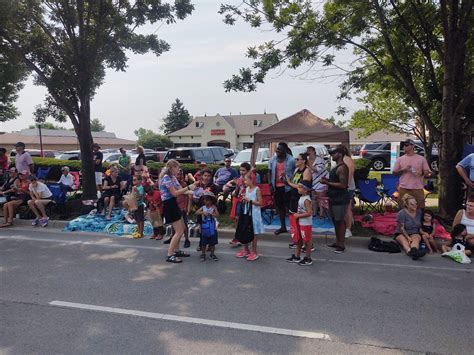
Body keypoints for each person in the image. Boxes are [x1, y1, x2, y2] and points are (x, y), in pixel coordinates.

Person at [159, 159, 196, 263]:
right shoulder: (166, 178)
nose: (179, 170)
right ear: (171, 168)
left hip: (173, 204)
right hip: (169, 204)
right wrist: (188, 187)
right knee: (179, 231)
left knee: (182, 227)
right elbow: (175, 193)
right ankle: (170, 255)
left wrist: (194, 192)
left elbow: (181, 189)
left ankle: (177, 250)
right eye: (177, 168)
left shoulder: (173, 177)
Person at [321, 146, 350, 254]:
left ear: (340, 154)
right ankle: (338, 242)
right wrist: (327, 181)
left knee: (339, 221)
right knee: (335, 220)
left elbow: (343, 184)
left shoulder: (342, 168)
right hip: (334, 197)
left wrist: (327, 182)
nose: (332, 155)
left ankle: (341, 244)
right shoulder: (337, 166)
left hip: (340, 198)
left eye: (333, 153)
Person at [393, 139, 431, 208]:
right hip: (403, 188)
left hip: (418, 188)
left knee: (420, 208)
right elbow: (394, 173)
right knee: (403, 208)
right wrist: (404, 169)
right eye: (403, 145)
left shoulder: (421, 159)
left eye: (406, 145)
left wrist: (422, 172)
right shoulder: (400, 159)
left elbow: (427, 172)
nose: (404, 147)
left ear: (413, 146)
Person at [268, 142, 296, 235]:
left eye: (279, 149)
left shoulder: (291, 160)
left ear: (285, 150)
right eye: (277, 149)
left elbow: (297, 172)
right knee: (280, 208)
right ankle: (283, 227)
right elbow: (269, 171)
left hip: (288, 188)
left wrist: (293, 183)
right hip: (276, 187)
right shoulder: (273, 159)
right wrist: (270, 185)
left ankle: (295, 228)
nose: (277, 151)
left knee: (290, 208)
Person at [236, 173, 264, 261]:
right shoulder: (247, 189)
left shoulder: (257, 189)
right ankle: (246, 249)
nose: (244, 182)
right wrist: (244, 199)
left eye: (245, 180)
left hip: (255, 214)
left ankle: (254, 251)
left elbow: (260, 203)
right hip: (247, 213)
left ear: (251, 180)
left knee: (254, 232)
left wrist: (250, 200)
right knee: (245, 230)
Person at [286, 153, 311, 249]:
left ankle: (308, 244)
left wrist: (289, 183)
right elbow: (294, 183)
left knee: (302, 222)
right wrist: (287, 181)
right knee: (294, 221)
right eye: (295, 159)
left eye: (298, 159)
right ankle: (297, 240)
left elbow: (304, 186)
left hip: (301, 198)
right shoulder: (297, 170)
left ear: (304, 161)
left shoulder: (306, 171)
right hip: (294, 197)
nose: (296, 161)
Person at [228, 162, 257, 246]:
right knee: (237, 218)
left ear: (248, 171)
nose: (241, 172)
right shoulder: (240, 178)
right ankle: (237, 236)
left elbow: (253, 188)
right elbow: (237, 188)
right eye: (240, 170)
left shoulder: (251, 178)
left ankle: (246, 237)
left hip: (247, 201)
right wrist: (235, 191)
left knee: (245, 220)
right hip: (240, 201)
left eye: (243, 170)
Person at [286, 180, 314, 265]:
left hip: (306, 223)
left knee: (307, 241)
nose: (298, 188)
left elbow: (309, 212)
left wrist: (298, 216)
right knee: (302, 239)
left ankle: (308, 258)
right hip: (302, 222)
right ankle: (298, 256)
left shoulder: (306, 200)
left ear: (305, 189)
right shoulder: (302, 197)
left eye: (300, 187)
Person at [393, 194, 426, 260]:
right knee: (405, 242)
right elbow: (402, 228)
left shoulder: (419, 212)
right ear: (407, 205)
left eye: (415, 204)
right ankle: (410, 252)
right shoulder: (402, 213)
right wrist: (407, 237)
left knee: (415, 240)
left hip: (414, 232)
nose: (415, 206)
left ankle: (414, 251)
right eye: (412, 204)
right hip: (401, 232)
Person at [306, 146, 329, 218]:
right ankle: (314, 212)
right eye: (307, 150)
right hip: (313, 181)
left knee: (320, 198)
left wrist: (309, 164)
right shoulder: (307, 159)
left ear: (314, 151)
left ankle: (321, 213)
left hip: (321, 180)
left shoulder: (319, 159)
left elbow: (318, 170)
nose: (308, 152)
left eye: (309, 150)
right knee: (313, 198)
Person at [195, 194, 219, 261]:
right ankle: (203, 254)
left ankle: (212, 254)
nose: (205, 202)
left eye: (207, 200)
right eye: (204, 200)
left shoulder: (213, 207)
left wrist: (212, 214)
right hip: (204, 227)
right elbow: (196, 212)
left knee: (212, 242)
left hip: (212, 227)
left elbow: (217, 215)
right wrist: (203, 212)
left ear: (211, 201)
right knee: (203, 242)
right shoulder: (203, 207)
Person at [342, 146, 356, 238]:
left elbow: (350, 174)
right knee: (344, 208)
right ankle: (345, 227)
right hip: (343, 187)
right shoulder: (343, 159)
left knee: (347, 208)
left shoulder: (347, 160)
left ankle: (348, 229)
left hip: (347, 187)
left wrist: (346, 186)